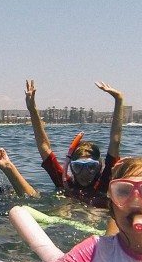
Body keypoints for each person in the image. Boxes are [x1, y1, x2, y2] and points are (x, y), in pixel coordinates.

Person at [24, 79, 124, 208]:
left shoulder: (104, 182)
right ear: (70, 167)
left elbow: (115, 141)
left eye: (91, 166)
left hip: (97, 218)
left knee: (94, 214)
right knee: (63, 209)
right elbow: (44, 146)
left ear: (99, 167)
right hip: (69, 217)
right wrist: (32, 109)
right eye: (78, 167)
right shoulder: (64, 181)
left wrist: (119, 99)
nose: (84, 173)